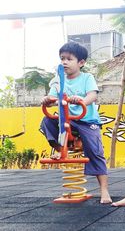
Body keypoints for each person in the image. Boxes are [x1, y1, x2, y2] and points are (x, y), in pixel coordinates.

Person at [40, 42, 112, 204]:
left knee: (95, 151)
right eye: (62, 59)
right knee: (47, 121)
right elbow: (52, 99)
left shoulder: (87, 78)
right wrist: (47, 100)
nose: (64, 62)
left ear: (81, 62)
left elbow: (92, 95)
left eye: (69, 59)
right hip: (66, 120)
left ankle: (104, 190)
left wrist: (81, 101)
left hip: (87, 121)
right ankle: (59, 148)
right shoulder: (58, 80)